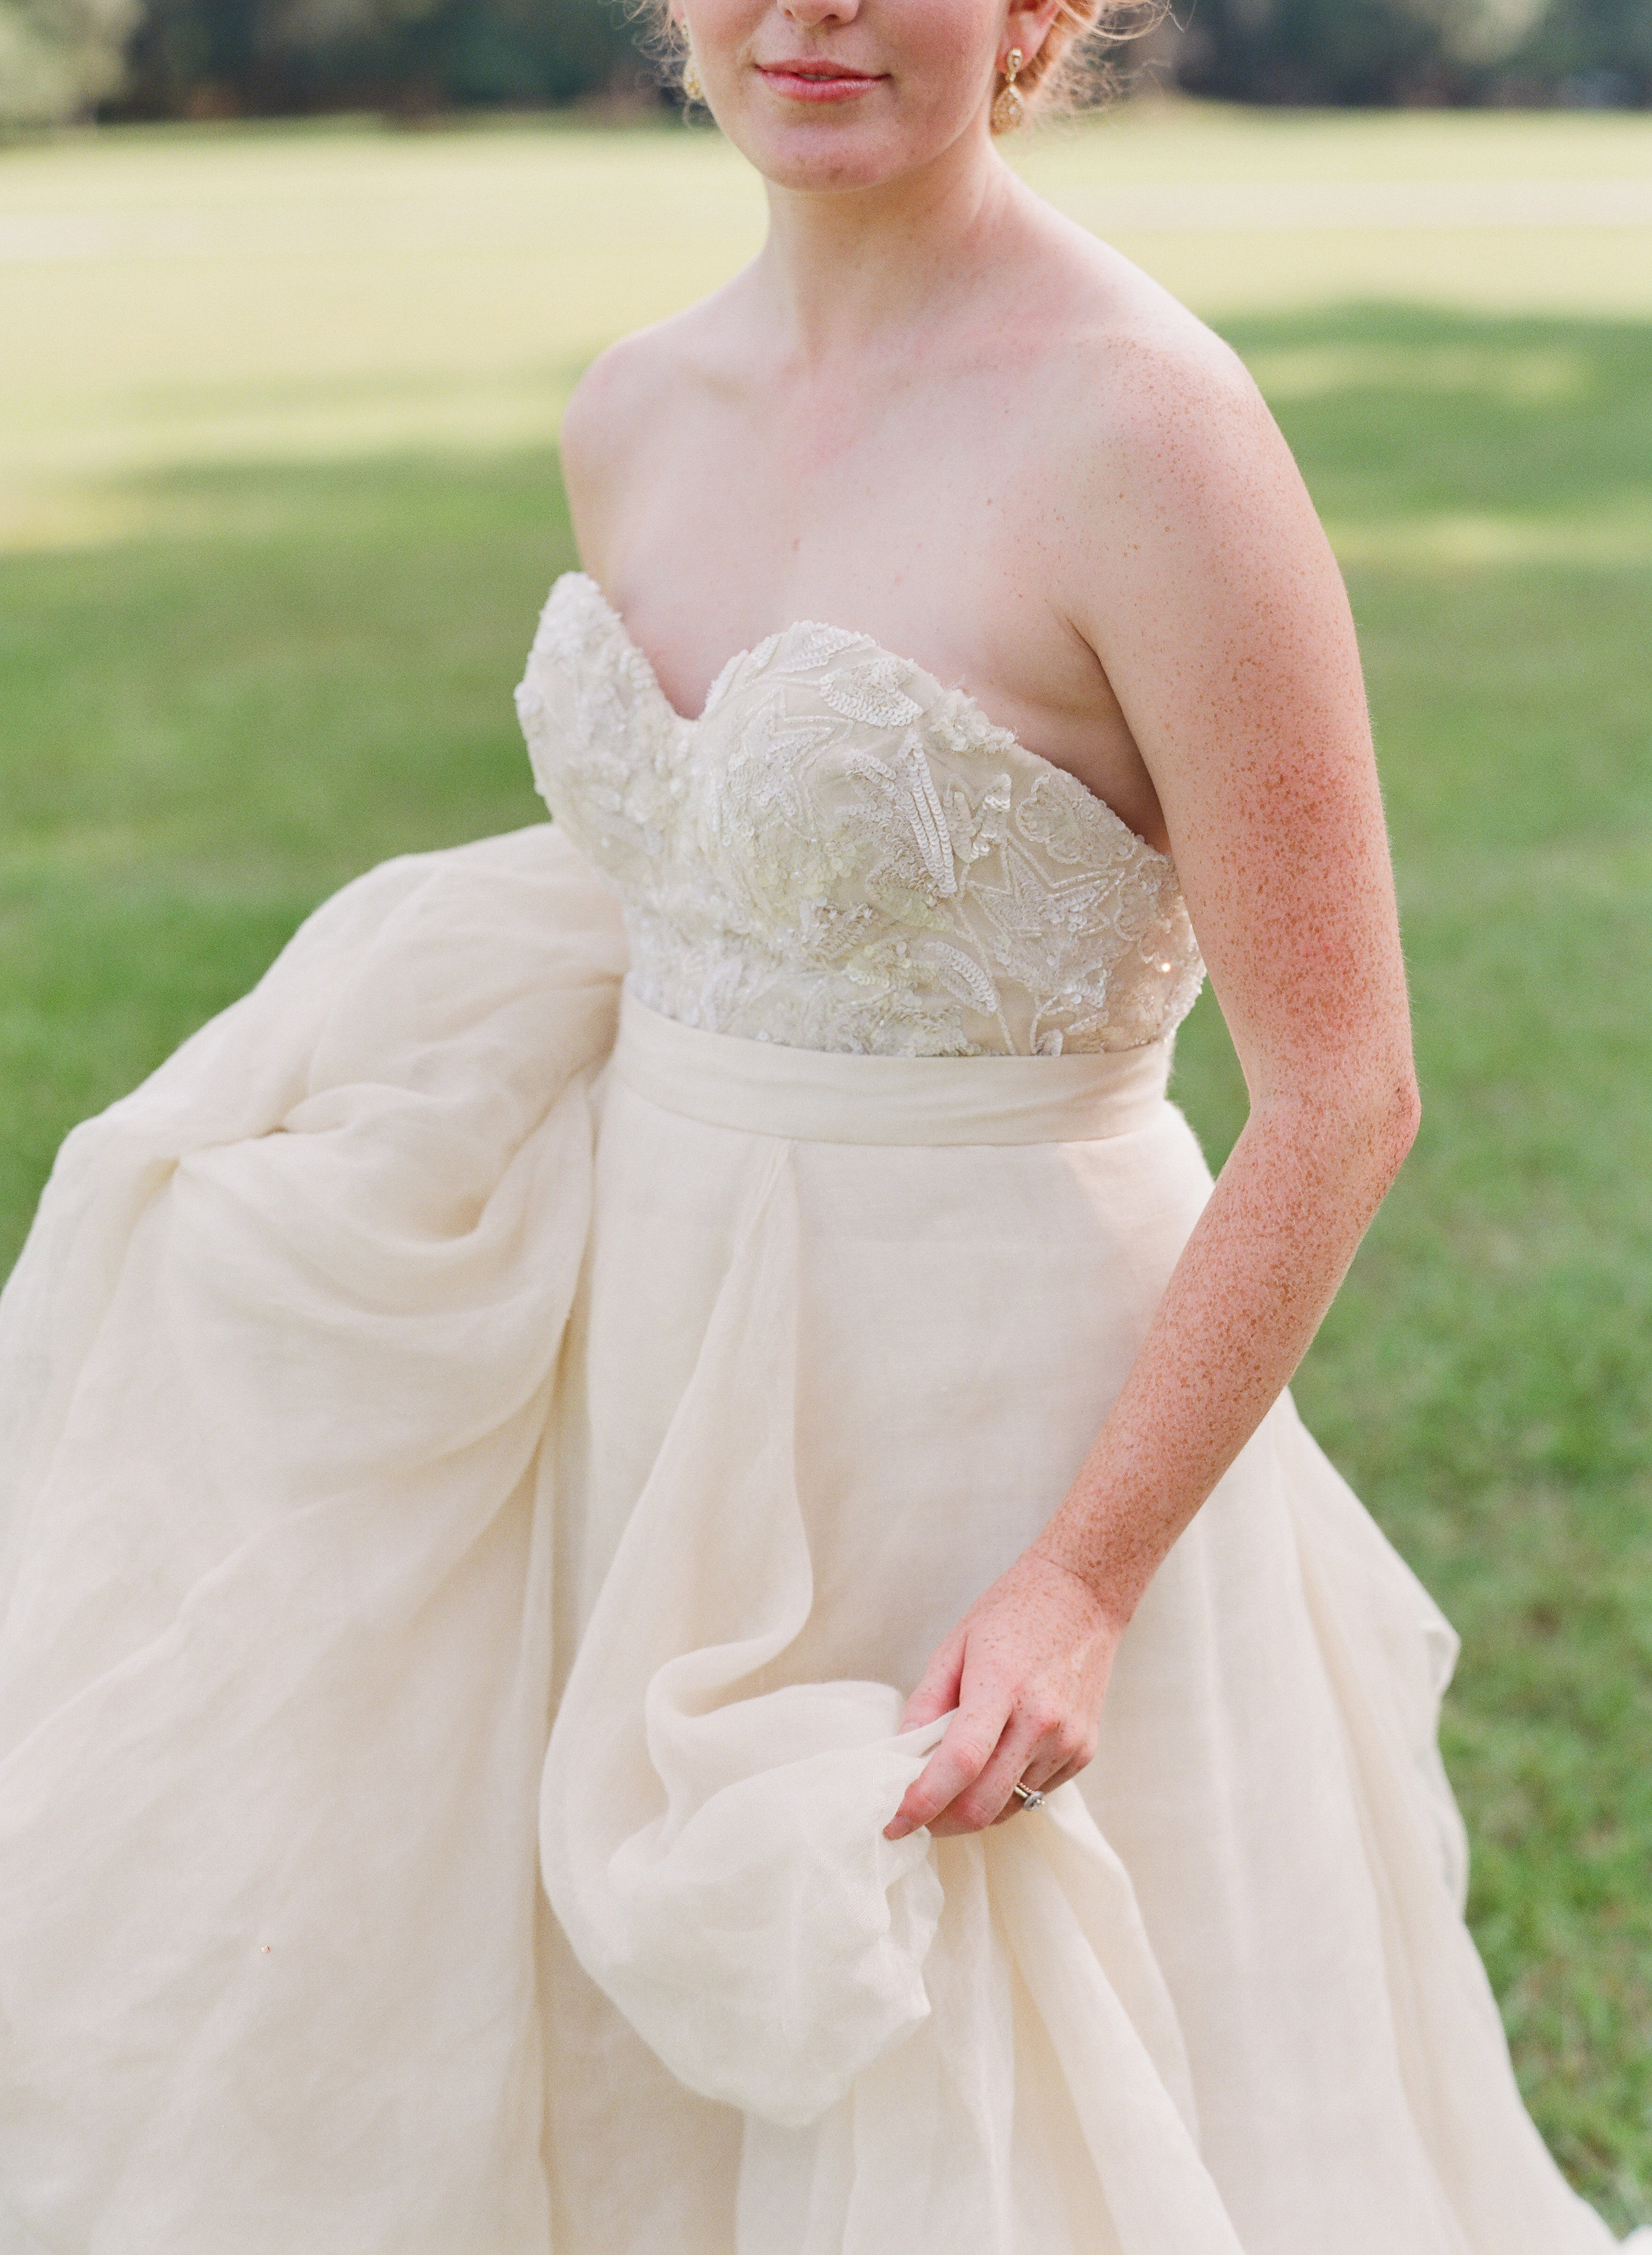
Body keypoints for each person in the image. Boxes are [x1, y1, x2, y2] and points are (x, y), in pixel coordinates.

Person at [0, 3, 1642, 2252]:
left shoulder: (1149, 432)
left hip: (1004, 1434)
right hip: (647, 1390)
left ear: (1036, 13)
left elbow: (1344, 1092)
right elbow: (685, 900)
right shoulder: (630, 414)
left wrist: (1077, 1580)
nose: (814, 14)